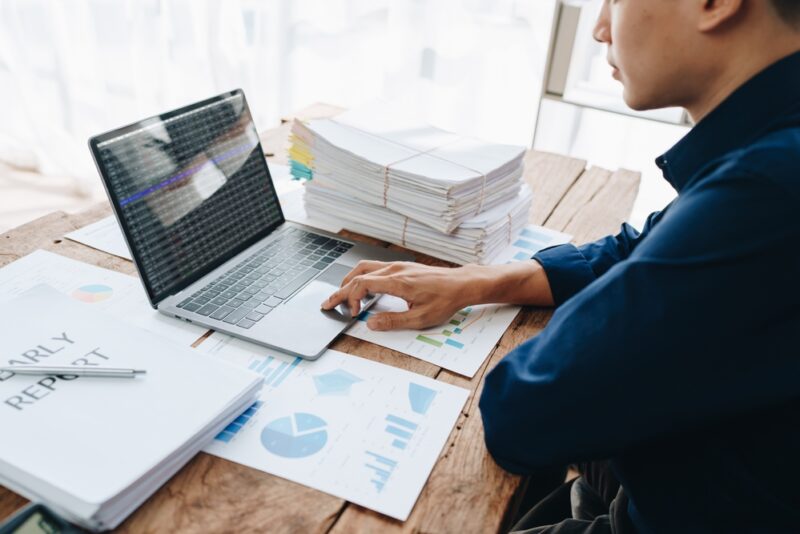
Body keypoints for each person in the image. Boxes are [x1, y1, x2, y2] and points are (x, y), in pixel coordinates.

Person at [322, 0, 800, 531]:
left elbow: (524, 412)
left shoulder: (768, 190)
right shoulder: (771, 148)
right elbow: (639, 246)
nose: (599, 28)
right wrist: (477, 280)